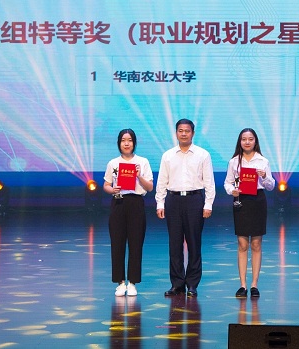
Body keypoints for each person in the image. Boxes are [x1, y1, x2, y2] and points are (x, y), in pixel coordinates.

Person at [155, 119, 215, 297]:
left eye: (187, 131)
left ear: (193, 133)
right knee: (174, 244)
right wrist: (160, 203)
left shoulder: (203, 155)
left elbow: (209, 182)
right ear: (176, 133)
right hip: (173, 200)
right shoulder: (168, 155)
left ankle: (192, 284)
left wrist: (208, 204)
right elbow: (162, 181)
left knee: (194, 243)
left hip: (194, 200)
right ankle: (177, 284)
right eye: (180, 131)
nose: (183, 134)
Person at [223, 128, 275, 298]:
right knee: (242, 244)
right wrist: (232, 191)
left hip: (258, 201)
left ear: (255, 141)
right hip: (241, 201)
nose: (247, 142)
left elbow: (271, 186)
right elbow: (227, 183)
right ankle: (242, 285)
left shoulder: (263, 161)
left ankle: (254, 285)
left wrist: (265, 176)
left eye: (250, 139)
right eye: (244, 139)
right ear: (240, 142)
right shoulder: (234, 162)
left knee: (256, 244)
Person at [103, 128, 153, 297]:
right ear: (119, 143)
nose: (126, 143)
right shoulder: (113, 163)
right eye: (123, 140)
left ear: (134, 143)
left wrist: (139, 176)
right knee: (117, 243)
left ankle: (132, 282)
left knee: (136, 243)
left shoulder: (143, 162)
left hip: (136, 204)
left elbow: (149, 187)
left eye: (130, 140)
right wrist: (112, 189)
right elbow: (106, 185)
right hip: (118, 203)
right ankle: (120, 282)